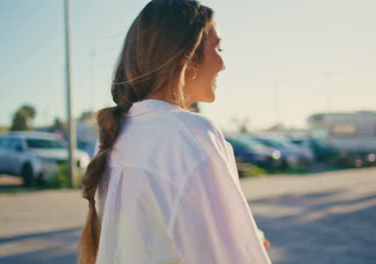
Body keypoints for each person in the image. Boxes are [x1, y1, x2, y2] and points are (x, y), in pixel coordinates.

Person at [77, 0, 272, 263]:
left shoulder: (120, 134)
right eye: (218, 48)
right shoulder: (189, 134)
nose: (223, 63)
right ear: (186, 57)